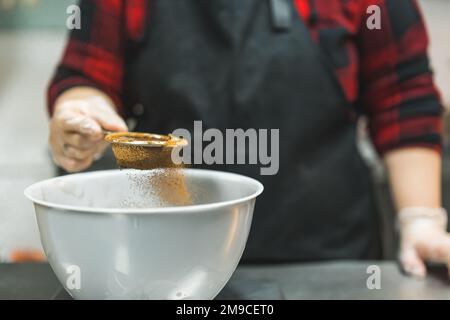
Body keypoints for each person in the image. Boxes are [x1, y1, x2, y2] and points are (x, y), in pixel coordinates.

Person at [47, 0, 449, 277]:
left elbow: (402, 94)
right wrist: (82, 110)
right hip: (171, 263)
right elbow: (86, 74)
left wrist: (421, 219)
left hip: (328, 259)